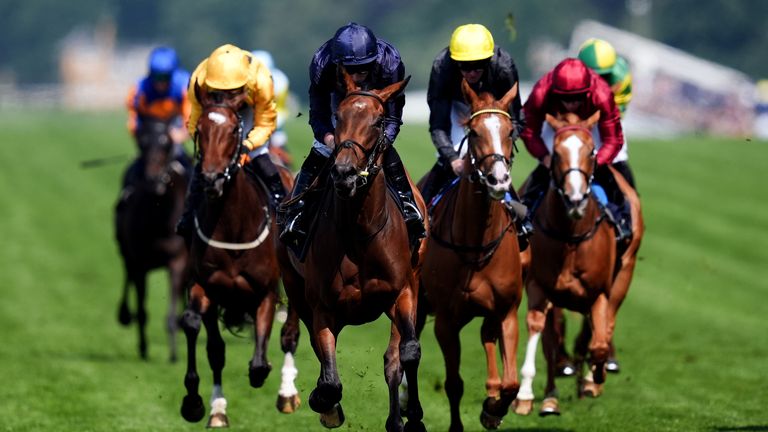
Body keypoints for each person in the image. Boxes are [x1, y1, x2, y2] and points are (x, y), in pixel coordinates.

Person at [279, 22, 425, 249]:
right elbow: (318, 113)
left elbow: (394, 118)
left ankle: (407, 205)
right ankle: (296, 212)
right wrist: (329, 139)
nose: (357, 77)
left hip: (375, 106)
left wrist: (380, 143)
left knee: (383, 152)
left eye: (363, 70)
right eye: (350, 70)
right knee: (321, 150)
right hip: (339, 101)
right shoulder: (322, 63)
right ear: (338, 65)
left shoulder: (390, 64)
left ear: (374, 62)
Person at [421, 23, 532, 247]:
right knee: (453, 158)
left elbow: (518, 119)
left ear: (489, 61)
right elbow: (439, 126)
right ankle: (418, 216)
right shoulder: (442, 68)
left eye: (478, 66)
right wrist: (452, 159)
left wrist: (500, 145)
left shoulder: (504, 66)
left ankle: (522, 220)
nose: (471, 72)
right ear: (454, 62)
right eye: (464, 67)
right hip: (457, 108)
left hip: (494, 113)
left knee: (494, 163)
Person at [175, 43, 285, 241]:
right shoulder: (199, 81)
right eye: (219, 91)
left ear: (244, 84)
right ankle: (188, 215)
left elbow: (266, 123)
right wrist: (210, 149)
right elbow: (194, 122)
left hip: (250, 112)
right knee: (204, 163)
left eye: (232, 91)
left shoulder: (261, 80)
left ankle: (283, 209)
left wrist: (247, 146)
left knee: (259, 155)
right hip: (214, 112)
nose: (226, 96)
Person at [519, 57, 632, 241]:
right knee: (544, 172)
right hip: (555, 125)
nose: (571, 103)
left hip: (592, 126)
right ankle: (524, 216)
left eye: (577, 98)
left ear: (587, 92)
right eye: (565, 98)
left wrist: (594, 163)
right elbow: (529, 130)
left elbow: (613, 140)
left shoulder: (602, 93)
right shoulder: (541, 92)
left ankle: (622, 220)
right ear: (555, 92)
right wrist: (545, 158)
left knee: (607, 177)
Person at [122, 46, 192, 188]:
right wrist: (143, 137)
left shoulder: (184, 87)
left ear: (173, 74)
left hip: (174, 126)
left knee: (187, 166)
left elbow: (190, 120)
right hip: (150, 130)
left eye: (164, 78)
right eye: (156, 77)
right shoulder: (139, 90)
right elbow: (134, 121)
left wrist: (180, 135)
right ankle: (127, 196)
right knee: (134, 171)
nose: (160, 83)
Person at [577, 37, 637, 189]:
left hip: (609, 115)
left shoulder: (621, 76)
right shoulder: (572, 74)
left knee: (618, 154)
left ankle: (629, 206)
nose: (598, 81)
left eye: (604, 76)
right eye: (593, 76)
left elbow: (616, 113)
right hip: (579, 115)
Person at [251, 50, 294, 168]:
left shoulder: (279, 80)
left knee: (279, 150)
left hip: (275, 120)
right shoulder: (281, 78)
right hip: (259, 120)